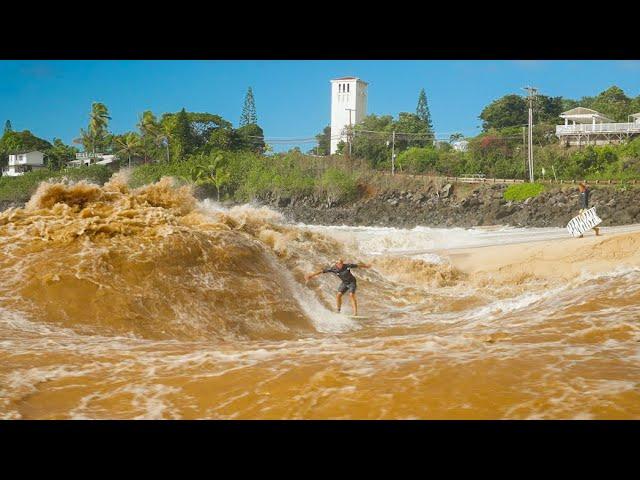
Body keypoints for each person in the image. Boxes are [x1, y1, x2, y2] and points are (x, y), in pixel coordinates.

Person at [305, 259, 371, 315]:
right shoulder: (334, 268)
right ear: (337, 264)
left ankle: (355, 313)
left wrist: (366, 266)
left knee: (351, 295)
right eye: (339, 264)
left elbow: (358, 265)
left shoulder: (347, 266)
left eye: (341, 263)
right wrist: (311, 275)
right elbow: (322, 271)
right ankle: (338, 310)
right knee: (338, 295)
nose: (341, 265)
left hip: (352, 282)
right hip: (344, 283)